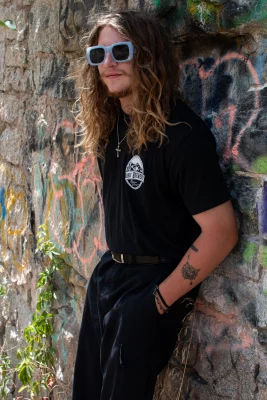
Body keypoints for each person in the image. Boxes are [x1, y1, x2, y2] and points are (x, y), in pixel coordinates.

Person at [71, 9, 238, 400]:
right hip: (108, 279)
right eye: (98, 55)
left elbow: (222, 232)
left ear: (147, 54)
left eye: (120, 51)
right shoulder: (111, 125)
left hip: (150, 292)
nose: (108, 64)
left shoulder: (183, 135)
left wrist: (157, 302)